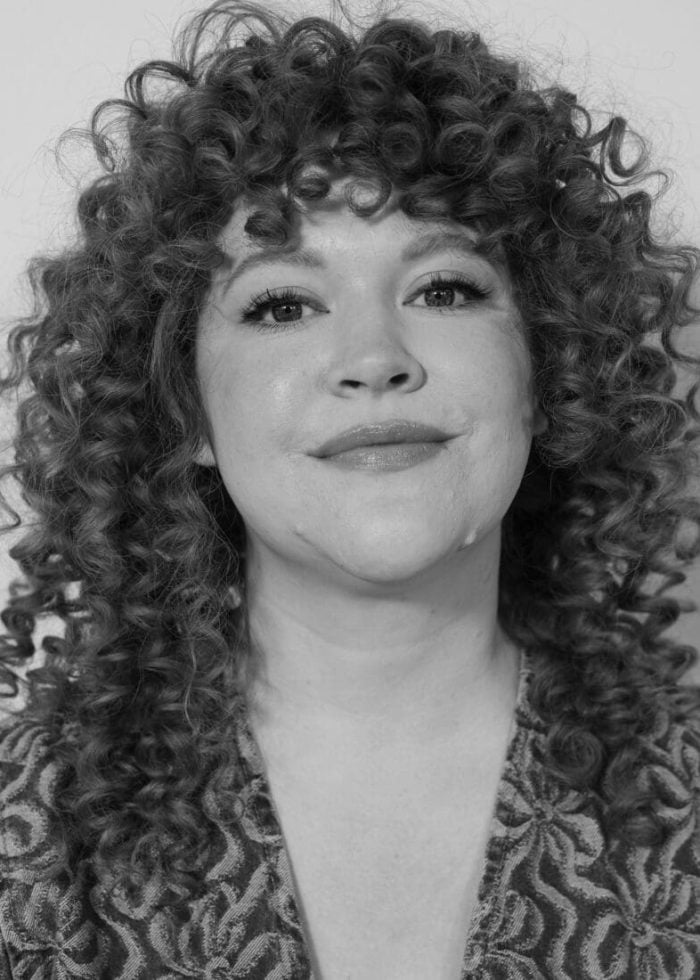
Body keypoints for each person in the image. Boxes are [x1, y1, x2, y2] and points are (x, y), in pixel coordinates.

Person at [0, 0, 699, 976]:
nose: (372, 358)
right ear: (189, 414)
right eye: (283, 303)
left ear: (548, 373)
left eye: (444, 289)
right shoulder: (24, 829)